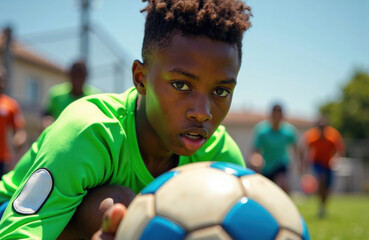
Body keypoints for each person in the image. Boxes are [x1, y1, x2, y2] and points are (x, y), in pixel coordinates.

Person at [0, 0, 253, 239]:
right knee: (122, 206)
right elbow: (15, 231)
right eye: (181, 84)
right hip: (8, 214)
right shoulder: (91, 131)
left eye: (221, 91)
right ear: (141, 79)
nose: (202, 112)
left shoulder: (220, 157)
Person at [299, 115, 345, 218]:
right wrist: (302, 164)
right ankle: (320, 202)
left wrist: (335, 158)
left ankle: (323, 207)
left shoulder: (333, 135)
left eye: (323, 126)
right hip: (317, 162)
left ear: (327, 127)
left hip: (329, 163)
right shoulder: (312, 136)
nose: (321, 128)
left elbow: (340, 149)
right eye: (319, 126)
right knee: (322, 178)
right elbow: (302, 148)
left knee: (328, 188)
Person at [248, 104, 299, 193]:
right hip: (266, 166)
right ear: (270, 115)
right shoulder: (262, 130)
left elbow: (296, 148)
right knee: (267, 190)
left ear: (283, 115)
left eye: (279, 113)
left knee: (283, 182)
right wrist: (255, 161)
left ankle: (286, 205)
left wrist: (300, 164)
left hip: (281, 163)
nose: (277, 116)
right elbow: (255, 151)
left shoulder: (288, 131)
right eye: (275, 113)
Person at [41, 60, 100, 129]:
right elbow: (46, 115)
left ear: (86, 76)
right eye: (74, 76)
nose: (77, 80)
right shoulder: (56, 95)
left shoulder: (95, 97)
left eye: (81, 76)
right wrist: (46, 122)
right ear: (69, 75)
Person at [0, 66, 27, 178]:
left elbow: (19, 131)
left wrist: (19, 139)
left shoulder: (10, 104)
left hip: (2, 158)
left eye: (2, 79)